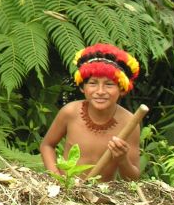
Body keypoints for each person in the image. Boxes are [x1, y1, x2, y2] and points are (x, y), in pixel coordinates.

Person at [39, 44, 141, 182]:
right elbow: (47, 145)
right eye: (93, 83)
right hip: (66, 194)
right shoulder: (70, 112)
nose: (100, 91)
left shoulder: (129, 123)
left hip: (101, 198)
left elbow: (133, 178)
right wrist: (57, 178)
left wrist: (123, 159)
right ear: (82, 87)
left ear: (122, 89)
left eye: (109, 84)